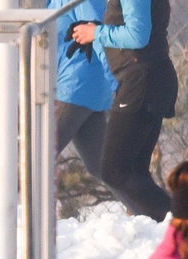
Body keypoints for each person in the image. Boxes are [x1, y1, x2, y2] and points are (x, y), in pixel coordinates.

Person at [71, 0, 177, 221]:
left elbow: (137, 35)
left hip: (142, 80)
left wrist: (97, 32)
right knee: (134, 171)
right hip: (147, 79)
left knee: (115, 172)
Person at [52, 0, 115, 179]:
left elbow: (98, 33)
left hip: (76, 87)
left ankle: (7, 206)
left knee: (32, 157)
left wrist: (116, 79)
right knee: (105, 170)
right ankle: (163, 207)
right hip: (83, 91)